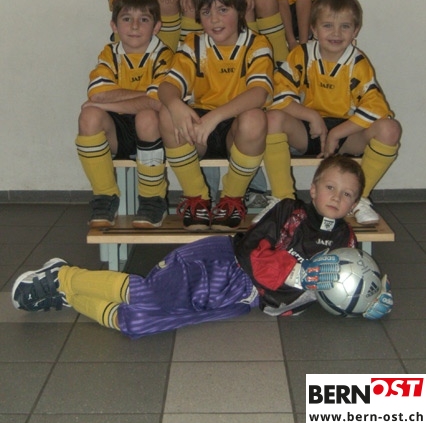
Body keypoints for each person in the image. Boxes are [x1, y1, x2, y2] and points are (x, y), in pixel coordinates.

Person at [11, 156, 393, 338]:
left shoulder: (346, 242)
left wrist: (368, 300)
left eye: (347, 194)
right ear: (313, 188)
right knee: (147, 294)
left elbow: (337, 286)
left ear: (355, 203)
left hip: (241, 300)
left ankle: (67, 294)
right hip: (220, 263)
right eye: (330, 187)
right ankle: (63, 276)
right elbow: (250, 251)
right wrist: (296, 272)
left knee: (136, 323)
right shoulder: (289, 210)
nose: (336, 197)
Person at [265, 0, 402, 224]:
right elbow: (279, 95)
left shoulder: (357, 63)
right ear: (314, 29)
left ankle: (358, 199)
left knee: (390, 128)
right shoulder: (301, 55)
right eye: (328, 25)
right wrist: (312, 117)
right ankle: (282, 200)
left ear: (355, 31)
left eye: (345, 26)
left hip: (347, 133)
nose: (336, 33)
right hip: (308, 130)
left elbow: (376, 108)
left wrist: (336, 133)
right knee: (272, 118)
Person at [158, 0, 274, 230]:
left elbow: (259, 93)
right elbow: (166, 86)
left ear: (240, 10)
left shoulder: (257, 44)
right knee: (166, 112)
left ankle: (232, 199)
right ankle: (196, 198)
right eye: (206, 11)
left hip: (235, 130)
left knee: (255, 118)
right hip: (200, 130)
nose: (214, 19)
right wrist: (175, 105)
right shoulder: (193, 43)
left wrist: (216, 116)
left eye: (223, 9)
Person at [76, 0, 173, 228]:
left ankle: (153, 200)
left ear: (157, 27)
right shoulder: (109, 53)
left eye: (144, 19)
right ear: (114, 26)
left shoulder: (165, 55)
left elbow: (158, 101)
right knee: (89, 115)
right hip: (118, 133)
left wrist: (108, 102)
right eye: (127, 18)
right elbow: (98, 93)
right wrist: (142, 95)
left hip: (156, 133)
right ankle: (105, 196)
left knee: (147, 116)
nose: (135, 26)